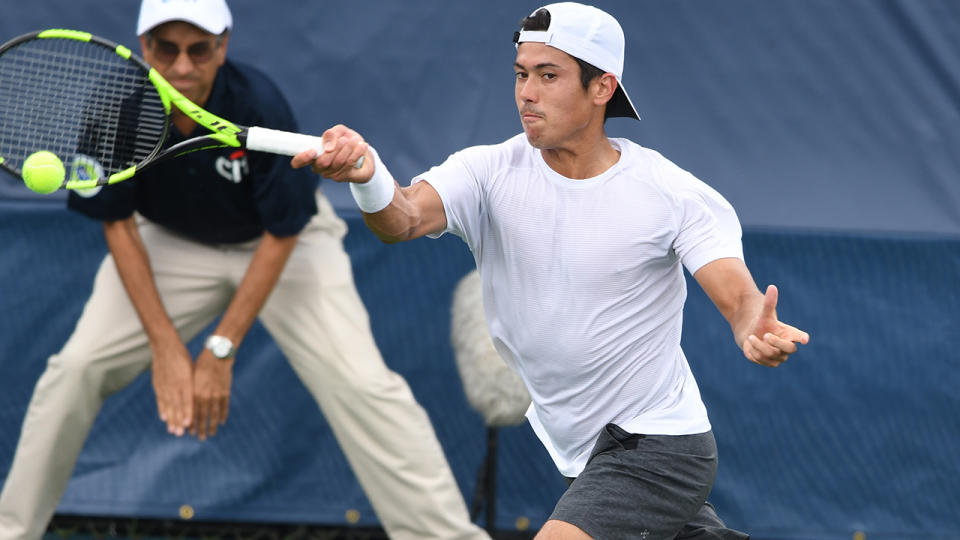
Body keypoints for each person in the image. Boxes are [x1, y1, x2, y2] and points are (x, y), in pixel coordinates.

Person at [294, 3, 811, 539]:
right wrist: (368, 174)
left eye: (548, 75)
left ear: (602, 87)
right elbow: (400, 219)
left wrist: (754, 326)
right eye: (521, 74)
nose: (526, 92)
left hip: (658, 444)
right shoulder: (486, 172)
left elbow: (737, 295)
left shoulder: (670, 193)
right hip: (582, 449)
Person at [0, 1, 490, 540]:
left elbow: (284, 231)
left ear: (223, 47)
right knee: (73, 371)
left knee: (365, 386)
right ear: (145, 49)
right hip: (168, 244)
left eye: (199, 48)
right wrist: (166, 348)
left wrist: (220, 348)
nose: (183, 64)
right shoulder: (117, 108)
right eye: (167, 48)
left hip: (285, 243)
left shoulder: (259, 103)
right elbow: (118, 224)